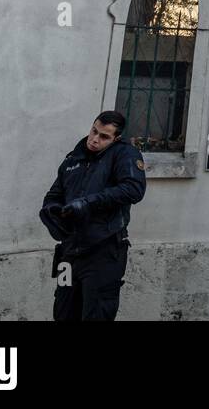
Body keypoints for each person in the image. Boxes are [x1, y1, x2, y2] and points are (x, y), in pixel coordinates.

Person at [40, 111, 147, 320]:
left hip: (103, 252)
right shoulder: (73, 158)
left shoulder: (125, 154)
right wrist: (51, 213)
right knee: (62, 312)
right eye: (94, 131)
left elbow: (134, 189)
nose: (95, 139)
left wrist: (88, 203)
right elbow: (54, 194)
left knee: (97, 314)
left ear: (116, 138)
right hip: (69, 253)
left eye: (104, 136)